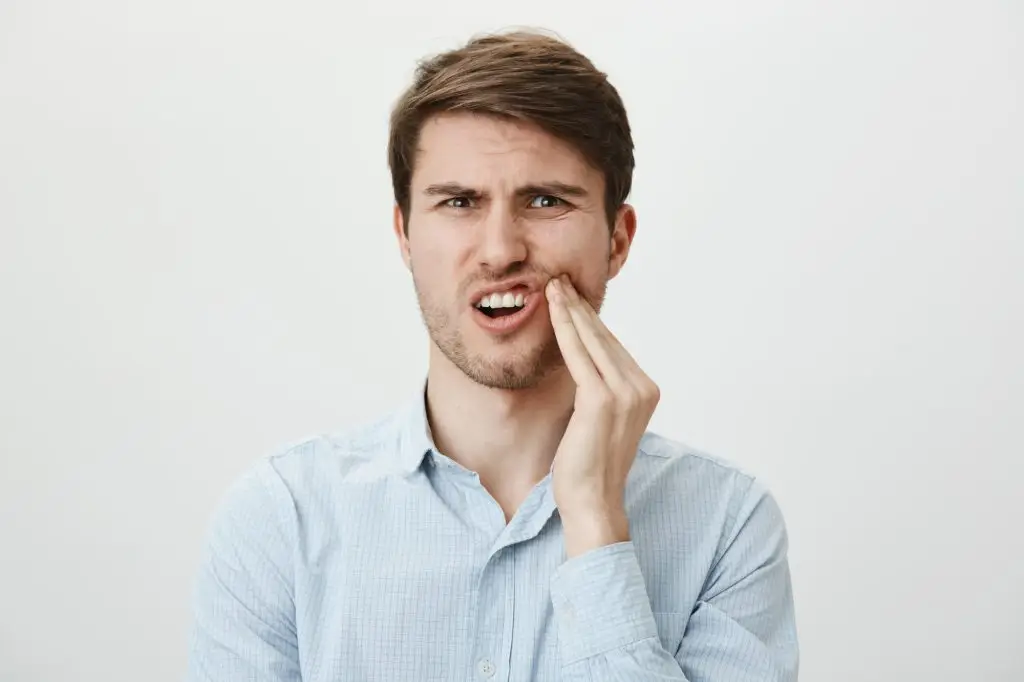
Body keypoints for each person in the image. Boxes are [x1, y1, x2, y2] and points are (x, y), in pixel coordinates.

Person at [185, 28, 799, 682]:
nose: (500, 249)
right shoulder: (281, 520)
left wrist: (593, 520)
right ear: (405, 234)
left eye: (545, 200)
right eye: (459, 202)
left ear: (617, 240)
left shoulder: (728, 527)